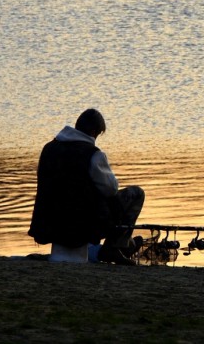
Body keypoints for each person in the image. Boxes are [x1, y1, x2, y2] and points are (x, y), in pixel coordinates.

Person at [28, 109, 144, 265]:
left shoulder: (48, 148)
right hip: (81, 225)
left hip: (48, 222)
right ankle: (114, 247)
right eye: (97, 135)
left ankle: (124, 244)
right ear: (93, 131)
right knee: (136, 193)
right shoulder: (93, 154)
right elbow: (111, 189)